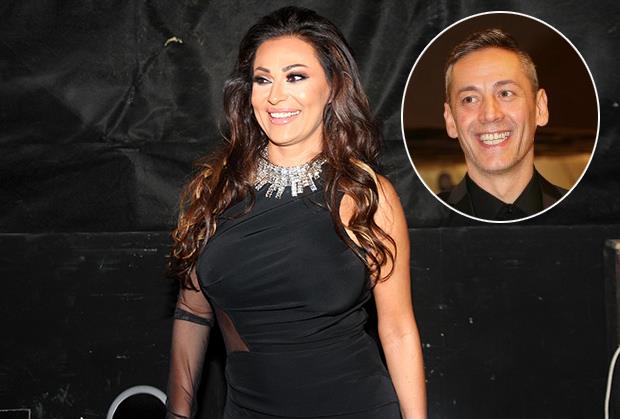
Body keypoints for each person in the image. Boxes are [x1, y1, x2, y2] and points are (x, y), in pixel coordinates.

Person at [165, 6, 426, 419]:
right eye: (262, 79)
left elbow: (397, 329)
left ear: (332, 86)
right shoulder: (215, 191)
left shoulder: (364, 194)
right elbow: (193, 312)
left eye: (296, 77)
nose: (276, 96)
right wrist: (178, 412)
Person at [439, 28, 567, 221]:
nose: (490, 115)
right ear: (450, 120)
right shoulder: (416, 225)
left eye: (506, 93)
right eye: (470, 99)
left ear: (540, 108)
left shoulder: (594, 218)